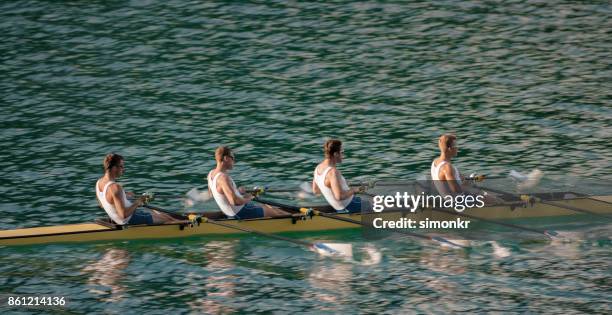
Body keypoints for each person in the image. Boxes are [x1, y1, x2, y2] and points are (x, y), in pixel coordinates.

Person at [207, 146, 289, 219]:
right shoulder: (223, 178)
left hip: (231, 212)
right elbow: (234, 202)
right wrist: (251, 197)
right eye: (232, 158)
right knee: (274, 212)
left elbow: (218, 194)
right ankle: (297, 220)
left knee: (268, 207)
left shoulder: (211, 174)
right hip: (240, 213)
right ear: (226, 158)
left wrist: (237, 191)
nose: (234, 161)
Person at [96, 153, 174, 225]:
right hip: (129, 219)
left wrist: (124, 196)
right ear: (113, 168)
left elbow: (103, 204)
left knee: (161, 214)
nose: (123, 169)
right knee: (168, 219)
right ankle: (183, 225)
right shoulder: (115, 187)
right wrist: (138, 201)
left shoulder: (99, 183)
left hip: (118, 219)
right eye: (121, 166)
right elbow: (123, 215)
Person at [312, 139, 363, 213]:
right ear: (336, 154)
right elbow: (339, 197)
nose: (343, 156)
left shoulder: (317, 168)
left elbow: (316, 191)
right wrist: (354, 190)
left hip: (339, 209)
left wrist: (337, 187)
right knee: (379, 204)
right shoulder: (333, 172)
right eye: (342, 153)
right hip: (351, 207)